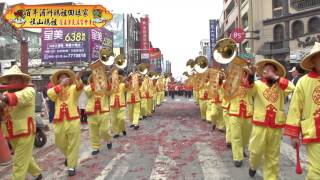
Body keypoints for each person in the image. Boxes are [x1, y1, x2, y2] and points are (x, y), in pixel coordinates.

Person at [247, 59, 294, 179]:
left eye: (269, 70)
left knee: (273, 156)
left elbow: (292, 88)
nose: (266, 71)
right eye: (265, 69)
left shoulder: (281, 86)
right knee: (255, 151)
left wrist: (276, 78)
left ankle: (271, 177)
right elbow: (249, 89)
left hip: (276, 125)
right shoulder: (257, 84)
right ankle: (253, 165)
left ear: (275, 72)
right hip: (260, 124)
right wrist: (251, 75)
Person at [284, 42, 320, 179]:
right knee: (316, 171)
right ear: (313, 61)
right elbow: (295, 109)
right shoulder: (304, 82)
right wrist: (294, 134)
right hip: (314, 131)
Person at [0, 65, 42, 180]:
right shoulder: (5, 94)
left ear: (22, 80)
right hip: (11, 132)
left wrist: (4, 98)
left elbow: (19, 97)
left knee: (18, 162)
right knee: (24, 157)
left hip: (25, 131)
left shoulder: (29, 90)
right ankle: (37, 174)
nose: (12, 81)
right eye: (10, 79)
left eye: (16, 78)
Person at [47, 69, 83, 177]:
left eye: (65, 77)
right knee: (59, 142)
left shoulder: (73, 88)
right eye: (61, 77)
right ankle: (69, 156)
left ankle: (71, 166)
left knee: (73, 143)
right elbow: (50, 95)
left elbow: (79, 88)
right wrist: (60, 86)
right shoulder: (54, 89)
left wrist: (78, 79)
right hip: (59, 120)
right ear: (58, 80)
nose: (63, 78)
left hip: (73, 119)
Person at [228, 67, 252, 167]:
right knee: (236, 136)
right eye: (240, 73)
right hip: (234, 112)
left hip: (247, 113)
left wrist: (250, 76)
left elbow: (252, 88)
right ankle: (237, 157)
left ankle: (242, 149)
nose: (242, 75)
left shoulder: (251, 84)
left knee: (246, 136)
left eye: (244, 74)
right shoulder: (231, 84)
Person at [84, 75, 112, 155]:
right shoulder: (88, 87)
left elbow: (111, 91)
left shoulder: (105, 86)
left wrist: (106, 81)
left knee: (105, 130)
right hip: (92, 112)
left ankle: (108, 139)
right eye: (96, 78)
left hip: (104, 111)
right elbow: (87, 92)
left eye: (100, 78)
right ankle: (95, 147)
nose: (98, 79)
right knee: (93, 132)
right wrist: (95, 84)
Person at [110, 69, 128, 138]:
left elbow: (127, 86)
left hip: (121, 104)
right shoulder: (111, 85)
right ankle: (116, 132)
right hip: (113, 104)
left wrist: (124, 79)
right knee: (114, 120)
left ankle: (122, 128)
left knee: (121, 119)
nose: (116, 79)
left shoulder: (122, 85)